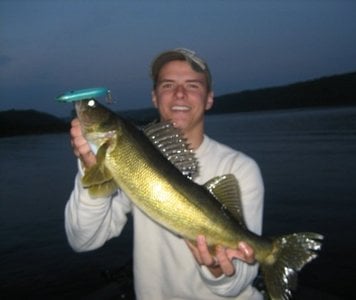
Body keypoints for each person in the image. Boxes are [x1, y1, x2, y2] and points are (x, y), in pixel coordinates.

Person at [65, 48, 265, 299]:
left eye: (192, 85)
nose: (179, 94)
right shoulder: (132, 157)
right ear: (154, 97)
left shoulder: (240, 168)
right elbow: (83, 241)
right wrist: (91, 167)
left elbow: (243, 274)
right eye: (168, 85)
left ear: (209, 98)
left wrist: (217, 269)